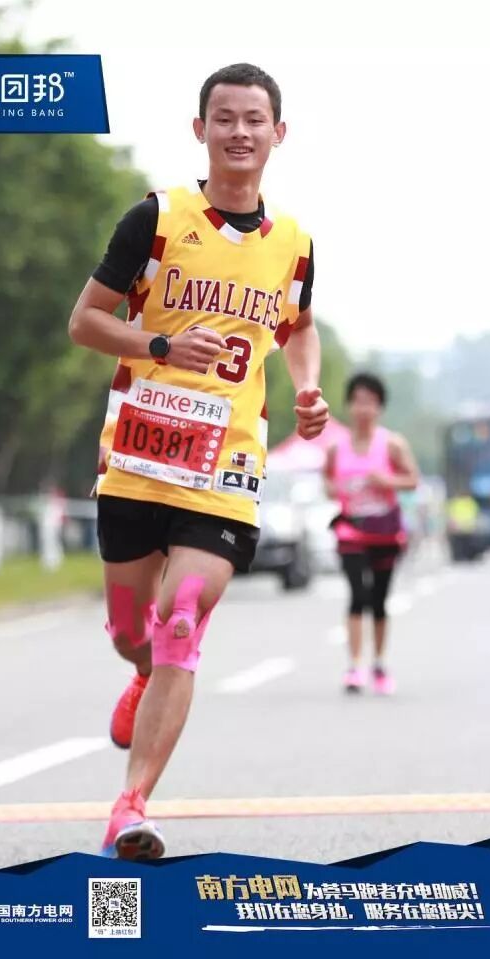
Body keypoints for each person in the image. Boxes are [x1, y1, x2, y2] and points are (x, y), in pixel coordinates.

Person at [68, 63, 329, 859]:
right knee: (132, 632)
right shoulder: (155, 219)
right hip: (139, 458)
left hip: (226, 467)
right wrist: (160, 345)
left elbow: (299, 326)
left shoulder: (294, 243)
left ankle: (131, 807)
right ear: (200, 129)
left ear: (278, 133)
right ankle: (140, 673)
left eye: (254, 119)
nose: (239, 132)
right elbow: (85, 321)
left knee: (181, 618)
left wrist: (307, 388)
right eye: (225, 118)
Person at [324, 373, 418, 695]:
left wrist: (387, 482)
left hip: (385, 532)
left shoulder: (392, 444)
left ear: (379, 407)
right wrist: (334, 488)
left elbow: (413, 480)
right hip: (351, 530)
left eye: (370, 402)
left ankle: (379, 663)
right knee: (357, 596)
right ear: (349, 406)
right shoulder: (336, 447)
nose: (363, 408)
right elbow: (326, 480)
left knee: (378, 600)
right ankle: (354, 666)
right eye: (358, 401)